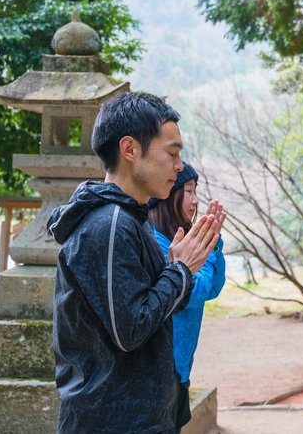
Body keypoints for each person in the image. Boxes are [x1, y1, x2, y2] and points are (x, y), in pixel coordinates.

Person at [47, 91, 226, 433]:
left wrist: (176, 269)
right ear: (129, 150)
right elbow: (131, 330)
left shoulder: (132, 217)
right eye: (172, 153)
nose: (178, 165)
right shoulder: (109, 224)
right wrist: (180, 270)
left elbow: (148, 308)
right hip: (111, 421)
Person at [148, 162, 226, 393]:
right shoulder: (157, 242)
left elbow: (214, 289)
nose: (195, 200)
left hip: (179, 369)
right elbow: (196, 291)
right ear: (168, 194)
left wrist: (210, 244)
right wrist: (205, 245)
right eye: (189, 191)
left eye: (196, 191)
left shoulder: (179, 237)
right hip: (161, 371)